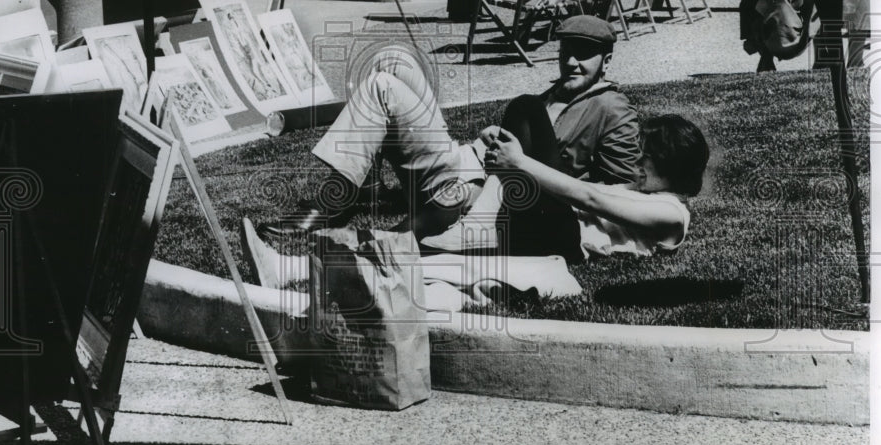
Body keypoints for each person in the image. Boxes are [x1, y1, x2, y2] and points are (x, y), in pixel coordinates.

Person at [242, 114, 707, 308]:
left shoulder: (672, 216)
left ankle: (473, 200)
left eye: (648, 156)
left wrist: (521, 164)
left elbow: (586, 200)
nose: (638, 162)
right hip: (540, 225)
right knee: (524, 114)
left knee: (438, 254)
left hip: (561, 237)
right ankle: (288, 269)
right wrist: (511, 161)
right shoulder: (639, 190)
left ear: (671, 165)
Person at [257, 15, 641, 246]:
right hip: (465, 158)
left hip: (471, 187)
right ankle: (364, 181)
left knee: (382, 88)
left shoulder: (611, 106)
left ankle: (332, 201)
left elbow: (621, 191)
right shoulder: (559, 90)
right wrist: (494, 135)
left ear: (606, 60)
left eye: (584, 54)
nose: (572, 62)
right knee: (392, 59)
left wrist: (526, 168)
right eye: (566, 50)